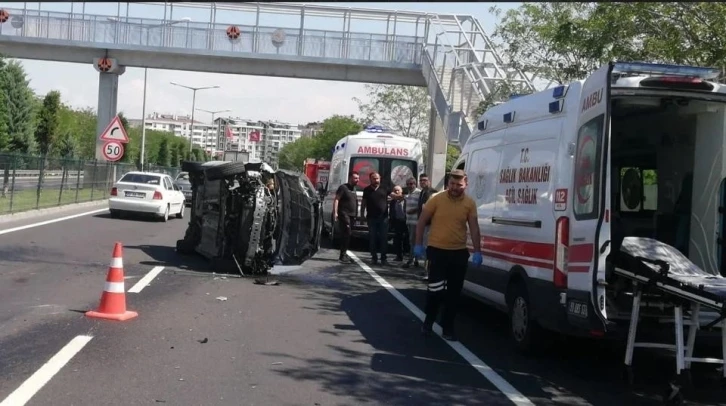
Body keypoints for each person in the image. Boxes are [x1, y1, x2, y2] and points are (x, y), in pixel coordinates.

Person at [414, 169, 482, 341]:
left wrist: (477, 250)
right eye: (452, 183)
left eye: (458, 185)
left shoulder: (469, 203)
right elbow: (422, 221)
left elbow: (474, 227)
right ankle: (428, 321)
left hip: (458, 253)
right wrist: (418, 244)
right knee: (435, 291)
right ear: (448, 183)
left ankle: (448, 328)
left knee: (454, 294)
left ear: (466, 184)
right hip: (437, 251)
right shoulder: (436, 199)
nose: (454, 187)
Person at [361, 171, 391, 266]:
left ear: (380, 178)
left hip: (384, 218)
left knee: (384, 238)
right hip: (371, 218)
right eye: (374, 178)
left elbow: (393, 196)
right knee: (372, 238)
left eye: (377, 178)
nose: (376, 180)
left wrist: (401, 196)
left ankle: (383, 258)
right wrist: (362, 215)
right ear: (370, 179)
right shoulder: (366, 190)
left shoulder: (385, 188)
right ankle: (374, 257)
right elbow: (363, 203)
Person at [333, 171, 360, 263]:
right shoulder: (343, 188)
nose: (357, 180)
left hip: (352, 215)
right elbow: (337, 199)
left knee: (348, 235)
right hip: (344, 214)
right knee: (347, 233)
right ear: (350, 178)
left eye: (358, 178)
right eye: (355, 178)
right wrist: (335, 212)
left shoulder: (354, 189)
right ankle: (342, 256)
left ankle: (344, 254)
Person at [388, 185, 409, 262]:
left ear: (401, 191)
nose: (396, 192)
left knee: (407, 239)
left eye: (398, 190)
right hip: (397, 222)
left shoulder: (406, 200)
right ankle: (399, 256)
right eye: (395, 190)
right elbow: (391, 213)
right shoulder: (393, 202)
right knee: (398, 239)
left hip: (406, 221)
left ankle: (408, 255)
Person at [403, 177, 421, 268]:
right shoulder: (408, 194)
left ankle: (412, 259)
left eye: (411, 184)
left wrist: (413, 210)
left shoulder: (418, 193)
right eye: (408, 184)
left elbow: (421, 206)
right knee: (413, 241)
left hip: (416, 221)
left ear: (415, 184)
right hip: (409, 221)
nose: (410, 186)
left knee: (413, 241)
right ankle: (415, 259)